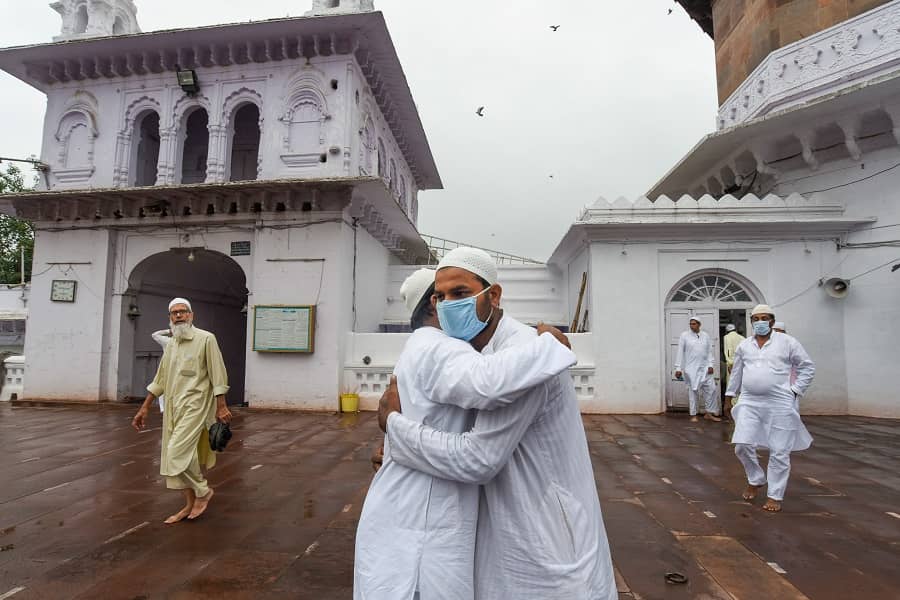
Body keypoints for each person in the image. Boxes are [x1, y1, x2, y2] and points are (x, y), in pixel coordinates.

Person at [379, 248, 617, 600]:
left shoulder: (523, 353)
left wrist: (395, 428)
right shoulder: (469, 352)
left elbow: (477, 459)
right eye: (440, 296)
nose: (448, 305)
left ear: (493, 295)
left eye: (460, 293)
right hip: (501, 527)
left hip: (544, 535)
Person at [131, 298, 232, 524]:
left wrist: (222, 405)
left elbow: (218, 374)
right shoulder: (172, 344)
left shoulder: (206, 339)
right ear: (170, 318)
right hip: (173, 408)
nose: (178, 316)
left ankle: (203, 491)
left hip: (196, 406)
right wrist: (144, 407)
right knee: (176, 457)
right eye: (174, 313)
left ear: (191, 315)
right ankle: (188, 504)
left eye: (182, 312)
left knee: (176, 452)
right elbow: (160, 380)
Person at [725, 305, 815, 513]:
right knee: (741, 445)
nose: (760, 322)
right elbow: (737, 372)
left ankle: (775, 495)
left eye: (764, 318)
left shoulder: (787, 342)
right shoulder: (745, 345)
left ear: (772, 321)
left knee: (779, 451)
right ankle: (756, 478)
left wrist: (795, 390)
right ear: (751, 322)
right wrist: (729, 396)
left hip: (779, 402)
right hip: (748, 401)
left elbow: (807, 367)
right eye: (756, 319)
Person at [674, 317, 721, 422]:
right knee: (693, 391)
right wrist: (678, 368)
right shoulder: (684, 336)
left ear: (699, 324)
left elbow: (709, 351)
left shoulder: (705, 336)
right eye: (690, 324)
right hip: (691, 369)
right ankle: (693, 415)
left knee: (711, 389)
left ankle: (709, 413)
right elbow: (680, 352)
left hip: (705, 368)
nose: (692, 326)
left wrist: (710, 365)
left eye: (694, 324)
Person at [723, 323, 745, 419]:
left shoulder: (727, 337)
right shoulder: (742, 338)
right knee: (740, 387)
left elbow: (728, 351)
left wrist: (729, 363)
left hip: (733, 365)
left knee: (731, 386)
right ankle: (740, 410)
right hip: (742, 365)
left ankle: (733, 411)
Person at [151, 328, 172, 412]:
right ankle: (163, 409)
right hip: (167, 368)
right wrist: (169, 331)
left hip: (179, 369)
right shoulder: (168, 341)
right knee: (162, 385)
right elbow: (154, 335)